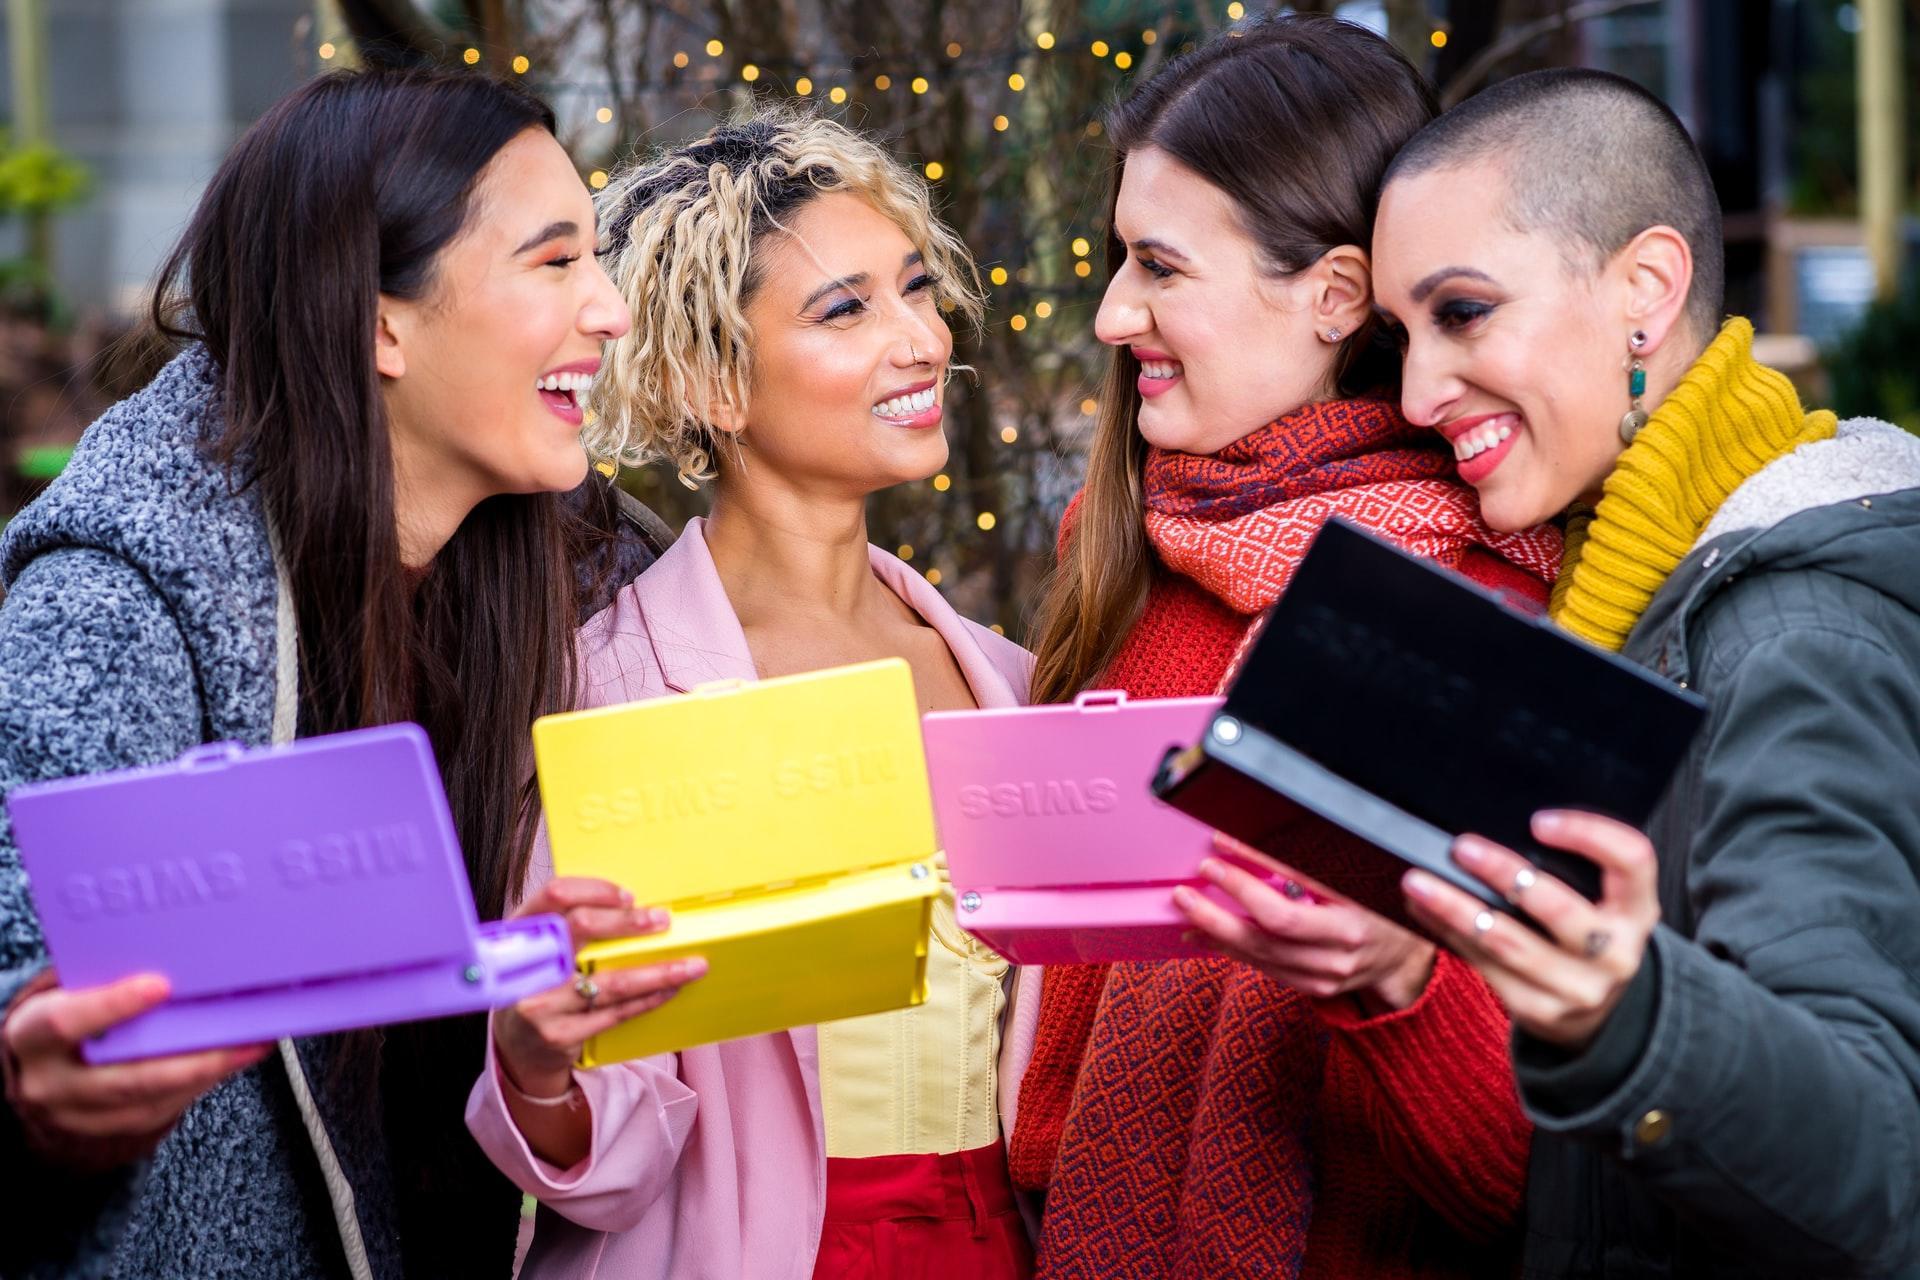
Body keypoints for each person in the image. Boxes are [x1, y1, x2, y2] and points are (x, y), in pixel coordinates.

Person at [0, 66, 667, 1279]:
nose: (612, 309)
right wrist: (29, 1088)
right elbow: (25, 979)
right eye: (557, 261)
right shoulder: (110, 606)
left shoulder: (575, 575)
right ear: (380, 325)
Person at [1011, 14, 1561, 1279]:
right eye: (1116, 258)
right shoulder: (1126, 554)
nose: (1108, 314)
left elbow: (1512, 1180)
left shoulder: (1467, 608)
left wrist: (1396, 980)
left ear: (1333, 295)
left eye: (1159, 265)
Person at [465, 113, 1037, 1280]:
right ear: (712, 378)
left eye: (916, 290)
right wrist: (535, 1065)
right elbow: (608, 1156)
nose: (920, 338)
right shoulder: (606, 694)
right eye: (848, 310)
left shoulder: (1009, 675)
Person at [1372, 67, 1920, 1279]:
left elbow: (1884, 1167)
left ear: (1645, 290)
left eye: (1460, 311)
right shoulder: (1610, 601)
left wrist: (1631, 1017)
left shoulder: (1792, 638)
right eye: (1398, 337)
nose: (1416, 392)